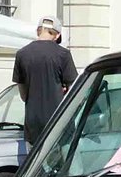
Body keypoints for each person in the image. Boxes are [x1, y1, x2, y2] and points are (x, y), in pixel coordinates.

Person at [13, 16, 79, 147]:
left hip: (33, 125)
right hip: (59, 123)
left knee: (35, 160)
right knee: (64, 159)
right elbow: (74, 90)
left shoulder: (21, 54)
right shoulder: (63, 54)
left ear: (38, 31)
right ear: (57, 35)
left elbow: (23, 96)